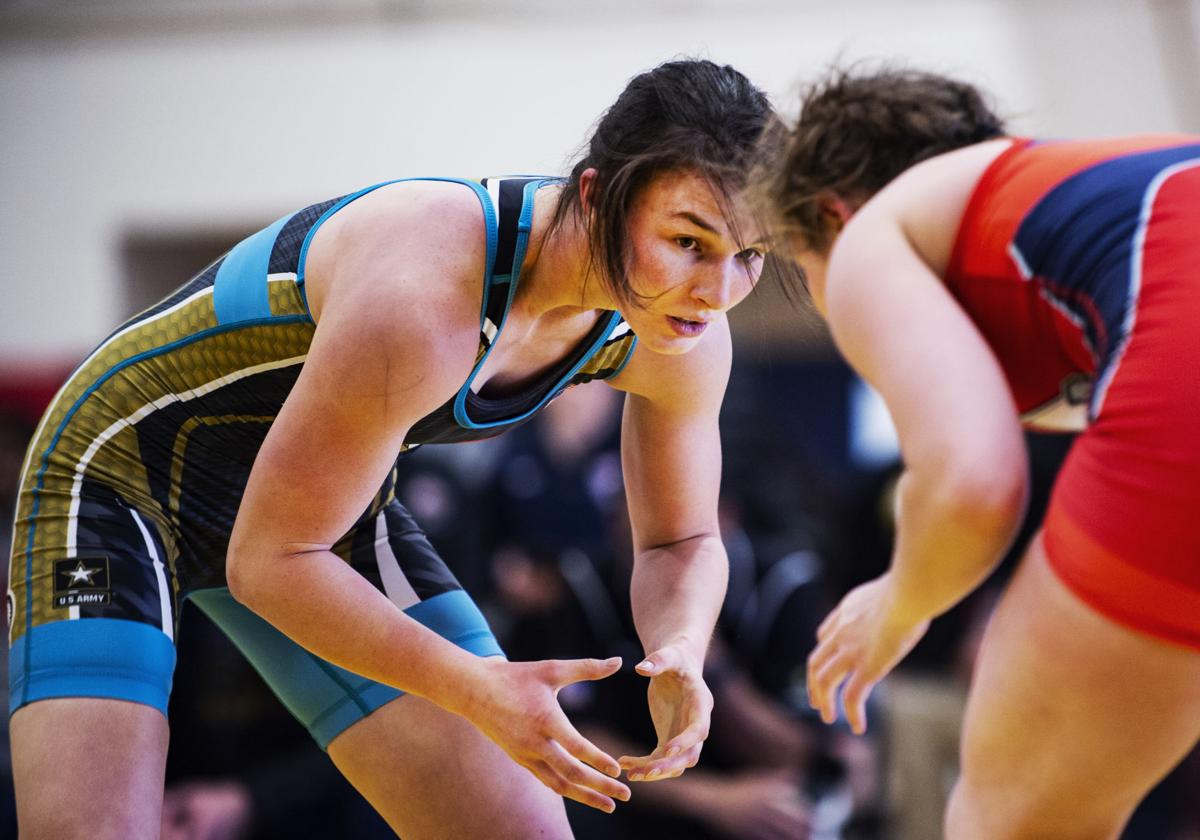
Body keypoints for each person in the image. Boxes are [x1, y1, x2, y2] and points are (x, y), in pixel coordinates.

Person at [8, 58, 783, 839]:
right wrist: (477, 687)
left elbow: (682, 538)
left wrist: (680, 644)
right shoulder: (428, 293)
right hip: (120, 479)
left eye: (750, 254)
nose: (716, 293)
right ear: (595, 196)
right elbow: (268, 563)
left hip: (317, 509)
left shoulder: (680, 337)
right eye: (688, 242)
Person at [751, 67, 1200, 839]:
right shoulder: (1073, 203)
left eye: (806, 273)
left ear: (831, 214)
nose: (834, 310)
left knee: (1010, 822)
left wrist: (899, 605)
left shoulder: (870, 235)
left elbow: (972, 488)